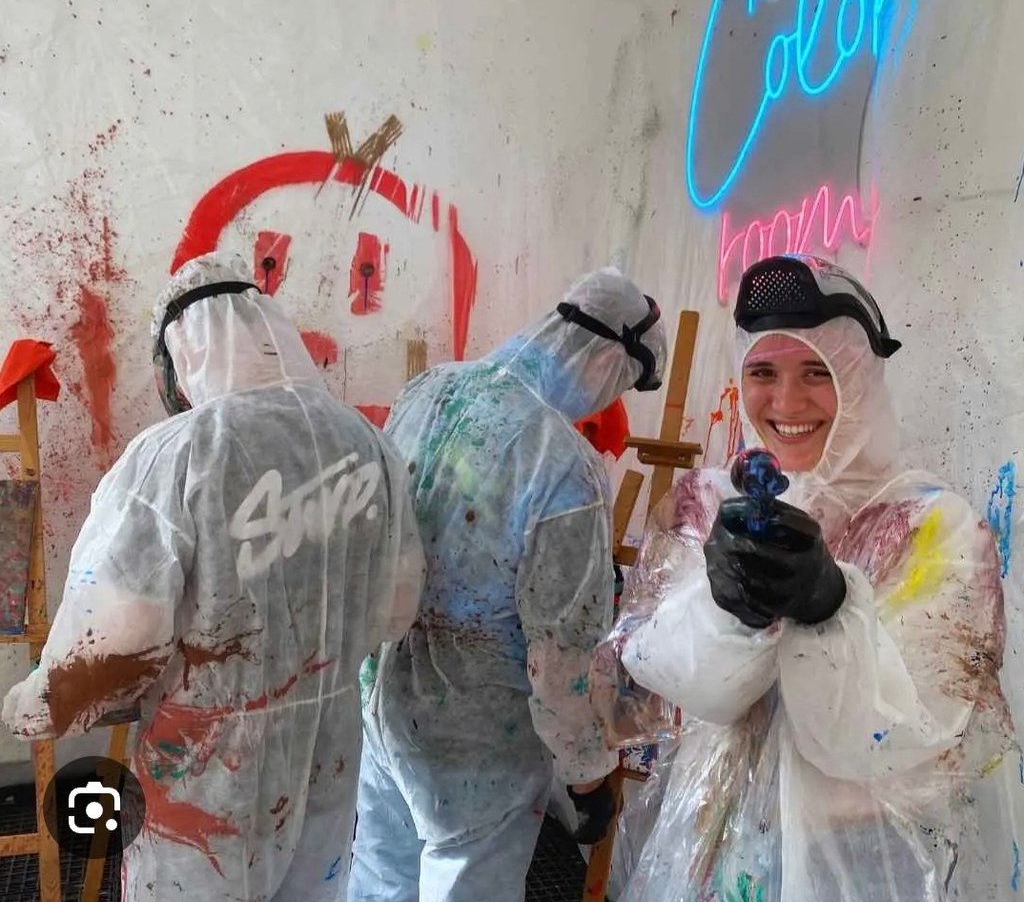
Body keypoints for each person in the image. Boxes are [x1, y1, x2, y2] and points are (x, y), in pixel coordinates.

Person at [1, 251, 425, 901]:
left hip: (206, 784)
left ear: (183, 353)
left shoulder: (177, 455)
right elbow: (397, 610)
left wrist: (38, 703)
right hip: (326, 765)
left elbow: (112, 647)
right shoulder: (370, 446)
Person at [599, 253, 1020, 901]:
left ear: (859, 378)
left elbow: (902, 736)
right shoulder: (711, 505)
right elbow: (665, 677)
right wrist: (729, 612)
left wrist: (828, 608)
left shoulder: (937, 530)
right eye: (763, 372)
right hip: (713, 849)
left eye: (818, 373)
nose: (786, 401)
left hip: (859, 865)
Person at [348, 266, 668, 902]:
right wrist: (586, 775)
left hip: (380, 700)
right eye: (622, 385)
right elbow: (562, 658)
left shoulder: (430, 388)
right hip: (477, 742)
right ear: (610, 361)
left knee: (379, 877)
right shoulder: (563, 466)